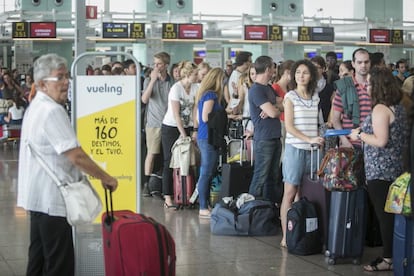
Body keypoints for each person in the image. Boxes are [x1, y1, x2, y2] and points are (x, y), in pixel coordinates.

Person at [17, 53, 118, 276]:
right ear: (42, 84)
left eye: (66, 77)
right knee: (59, 264)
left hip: (37, 197)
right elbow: (75, 155)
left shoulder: (36, 106)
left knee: (39, 259)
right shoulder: (52, 111)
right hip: (51, 199)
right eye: (60, 78)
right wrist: (106, 178)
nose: (66, 83)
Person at [349, 66, 407, 272]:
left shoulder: (380, 109)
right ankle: (395, 254)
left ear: (379, 86)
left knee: (384, 217)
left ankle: (388, 258)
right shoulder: (398, 107)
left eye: (371, 83)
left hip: (380, 171)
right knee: (393, 215)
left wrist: (359, 135)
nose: (367, 85)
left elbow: (380, 140)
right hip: (396, 169)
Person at [279, 59, 323, 248]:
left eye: (305, 72)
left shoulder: (315, 96)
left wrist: (319, 137)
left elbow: (318, 123)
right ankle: (286, 236)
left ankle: (302, 232)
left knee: (307, 193)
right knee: (290, 192)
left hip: (313, 151)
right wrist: (309, 139)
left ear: (311, 75)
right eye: (298, 72)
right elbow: (289, 127)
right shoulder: (290, 97)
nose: (301, 76)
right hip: (295, 149)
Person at [161, 61, 198, 208]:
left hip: (188, 126)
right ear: (188, 75)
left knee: (188, 161)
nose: (197, 77)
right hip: (171, 127)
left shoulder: (196, 87)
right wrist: (183, 134)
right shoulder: (176, 89)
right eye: (195, 74)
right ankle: (168, 196)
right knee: (170, 161)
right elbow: (176, 115)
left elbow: (195, 110)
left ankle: (186, 194)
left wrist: (194, 130)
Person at [248, 56, 282, 203]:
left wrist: (273, 107)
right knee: (260, 176)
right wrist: (273, 109)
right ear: (268, 69)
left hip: (274, 137)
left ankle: (268, 208)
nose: (274, 71)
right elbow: (275, 112)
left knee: (272, 177)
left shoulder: (268, 88)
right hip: (264, 139)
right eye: (273, 68)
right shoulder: (256, 90)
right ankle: (250, 210)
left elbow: (283, 104)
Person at [141, 52, 174, 196]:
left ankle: (165, 184)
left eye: (159, 64)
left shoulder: (172, 82)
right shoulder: (149, 80)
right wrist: (153, 81)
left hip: (169, 122)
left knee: (169, 155)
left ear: (166, 65)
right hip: (153, 122)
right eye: (154, 64)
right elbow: (144, 99)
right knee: (152, 153)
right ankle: (147, 184)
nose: (156, 66)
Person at [194, 67, 226, 218]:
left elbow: (198, 118)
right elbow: (206, 117)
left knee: (207, 171)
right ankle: (202, 206)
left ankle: (204, 204)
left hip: (205, 136)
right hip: (208, 136)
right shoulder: (211, 95)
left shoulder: (205, 95)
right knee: (206, 172)